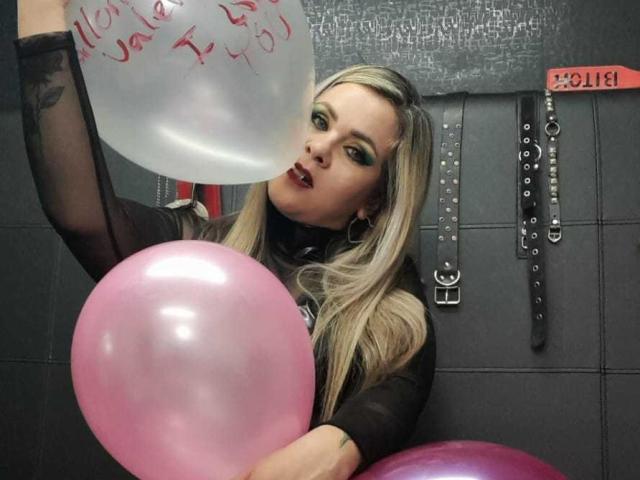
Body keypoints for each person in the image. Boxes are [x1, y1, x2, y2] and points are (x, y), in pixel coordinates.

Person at [15, 1, 436, 478]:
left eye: (355, 152)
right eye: (319, 120)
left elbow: (400, 389)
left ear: (373, 202)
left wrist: (345, 443)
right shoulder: (196, 250)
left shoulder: (388, 310)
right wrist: (39, 14)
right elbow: (82, 216)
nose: (318, 148)